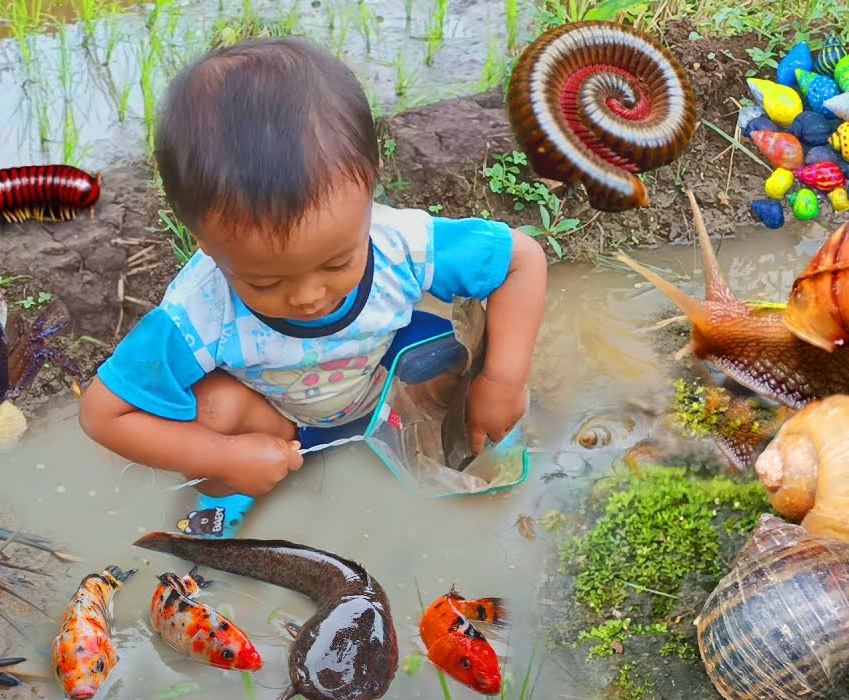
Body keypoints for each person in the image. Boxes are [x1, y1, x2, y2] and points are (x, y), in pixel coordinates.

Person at [78, 36, 547, 537]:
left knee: (461, 356)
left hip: (388, 378)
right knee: (213, 412)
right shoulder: (199, 311)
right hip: (277, 415)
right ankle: (242, 480)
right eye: (265, 280)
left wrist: (502, 380)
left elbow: (522, 261)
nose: (308, 296)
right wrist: (226, 455)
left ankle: (446, 421)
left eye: (337, 261)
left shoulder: (402, 245)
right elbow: (103, 414)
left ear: (369, 185)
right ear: (205, 242)